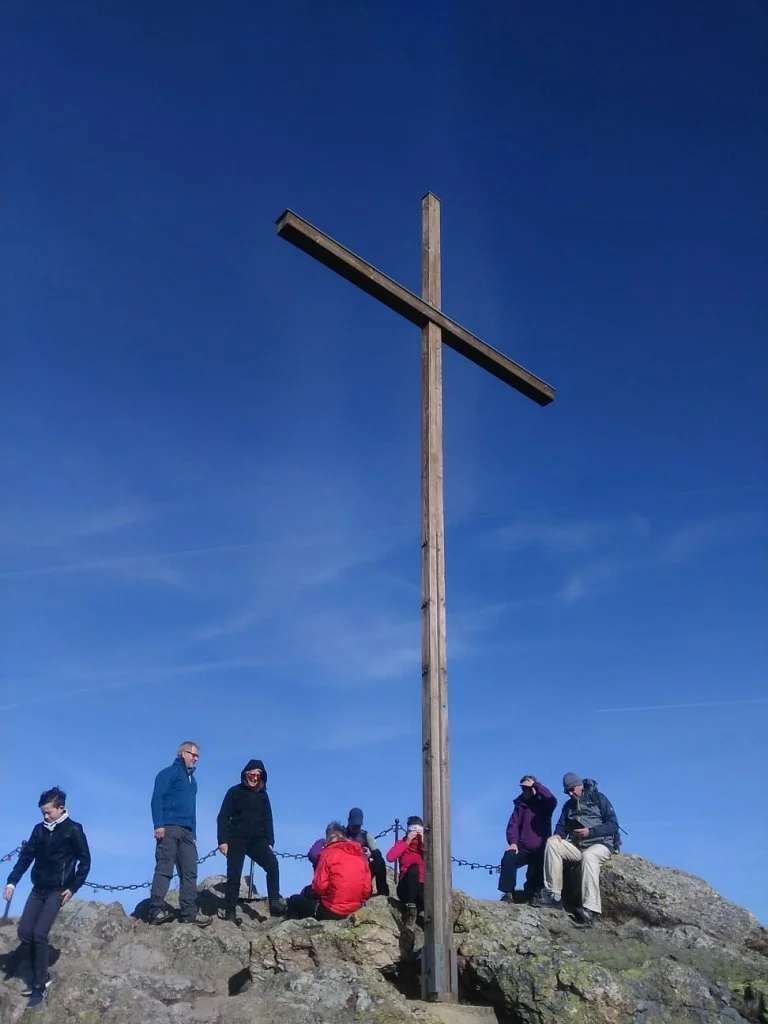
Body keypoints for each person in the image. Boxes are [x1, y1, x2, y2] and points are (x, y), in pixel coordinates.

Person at [3, 787, 91, 999]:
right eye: (43, 812)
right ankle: (40, 964)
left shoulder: (73, 830)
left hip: (58, 891)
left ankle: (40, 982)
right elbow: (25, 858)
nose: (45, 816)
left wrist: (72, 888)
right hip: (38, 889)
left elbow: (85, 862)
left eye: (48, 812)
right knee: (25, 932)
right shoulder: (38, 831)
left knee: (40, 933)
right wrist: (12, 882)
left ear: (61, 808)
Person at [533, 773, 620, 926]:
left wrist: (590, 832)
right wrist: (558, 836)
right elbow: (561, 827)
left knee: (589, 856)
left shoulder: (598, 798)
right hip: (577, 845)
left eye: (572, 790)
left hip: (601, 844)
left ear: (580, 785)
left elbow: (613, 824)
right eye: (567, 792)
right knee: (552, 843)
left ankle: (590, 910)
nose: (570, 794)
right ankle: (554, 896)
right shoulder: (568, 806)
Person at [149, 740, 210, 927]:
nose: (196, 759)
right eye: (194, 754)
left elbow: (193, 810)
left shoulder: (193, 782)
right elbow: (156, 798)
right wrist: (159, 825)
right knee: (164, 869)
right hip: (169, 827)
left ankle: (189, 912)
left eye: (198, 755)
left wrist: (194, 834)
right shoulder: (168, 773)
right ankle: (156, 910)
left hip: (187, 832)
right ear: (183, 753)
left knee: (190, 872)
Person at [217, 759, 286, 922]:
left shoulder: (263, 796)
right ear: (245, 775)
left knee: (273, 865)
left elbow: (268, 819)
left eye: (257, 775)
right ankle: (230, 912)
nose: (254, 778)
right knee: (234, 874)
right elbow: (223, 817)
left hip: (257, 840)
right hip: (236, 838)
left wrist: (270, 841)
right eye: (251, 774)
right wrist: (222, 841)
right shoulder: (234, 792)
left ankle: (274, 903)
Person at [287, 821, 372, 920]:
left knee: (294, 901)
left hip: (332, 911)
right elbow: (367, 891)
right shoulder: (360, 856)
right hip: (355, 910)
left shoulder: (327, 854)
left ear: (330, 836)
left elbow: (319, 887)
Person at [498, 775, 557, 903]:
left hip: (541, 849)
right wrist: (513, 843)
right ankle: (508, 893)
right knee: (509, 857)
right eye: (523, 788)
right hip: (523, 847)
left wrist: (536, 785)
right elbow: (513, 825)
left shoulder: (544, 804)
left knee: (536, 875)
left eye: (528, 788)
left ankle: (533, 893)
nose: (526, 791)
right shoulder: (520, 805)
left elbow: (552, 800)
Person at [345, 807, 389, 897]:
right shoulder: (341, 835)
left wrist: (370, 854)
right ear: (349, 821)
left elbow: (378, 854)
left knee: (380, 861)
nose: (356, 828)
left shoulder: (366, 835)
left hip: (363, 869)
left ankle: (382, 892)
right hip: (346, 870)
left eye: (358, 826)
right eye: (354, 825)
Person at [386, 816, 424, 919]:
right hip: (405, 888)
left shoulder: (426, 846)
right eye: (413, 830)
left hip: (422, 889)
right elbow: (390, 857)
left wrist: (424, 841)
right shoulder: (402, 843)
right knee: (414, 869)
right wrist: (407, 842)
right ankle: (410, 907)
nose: (415, 834)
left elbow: (435, 858)